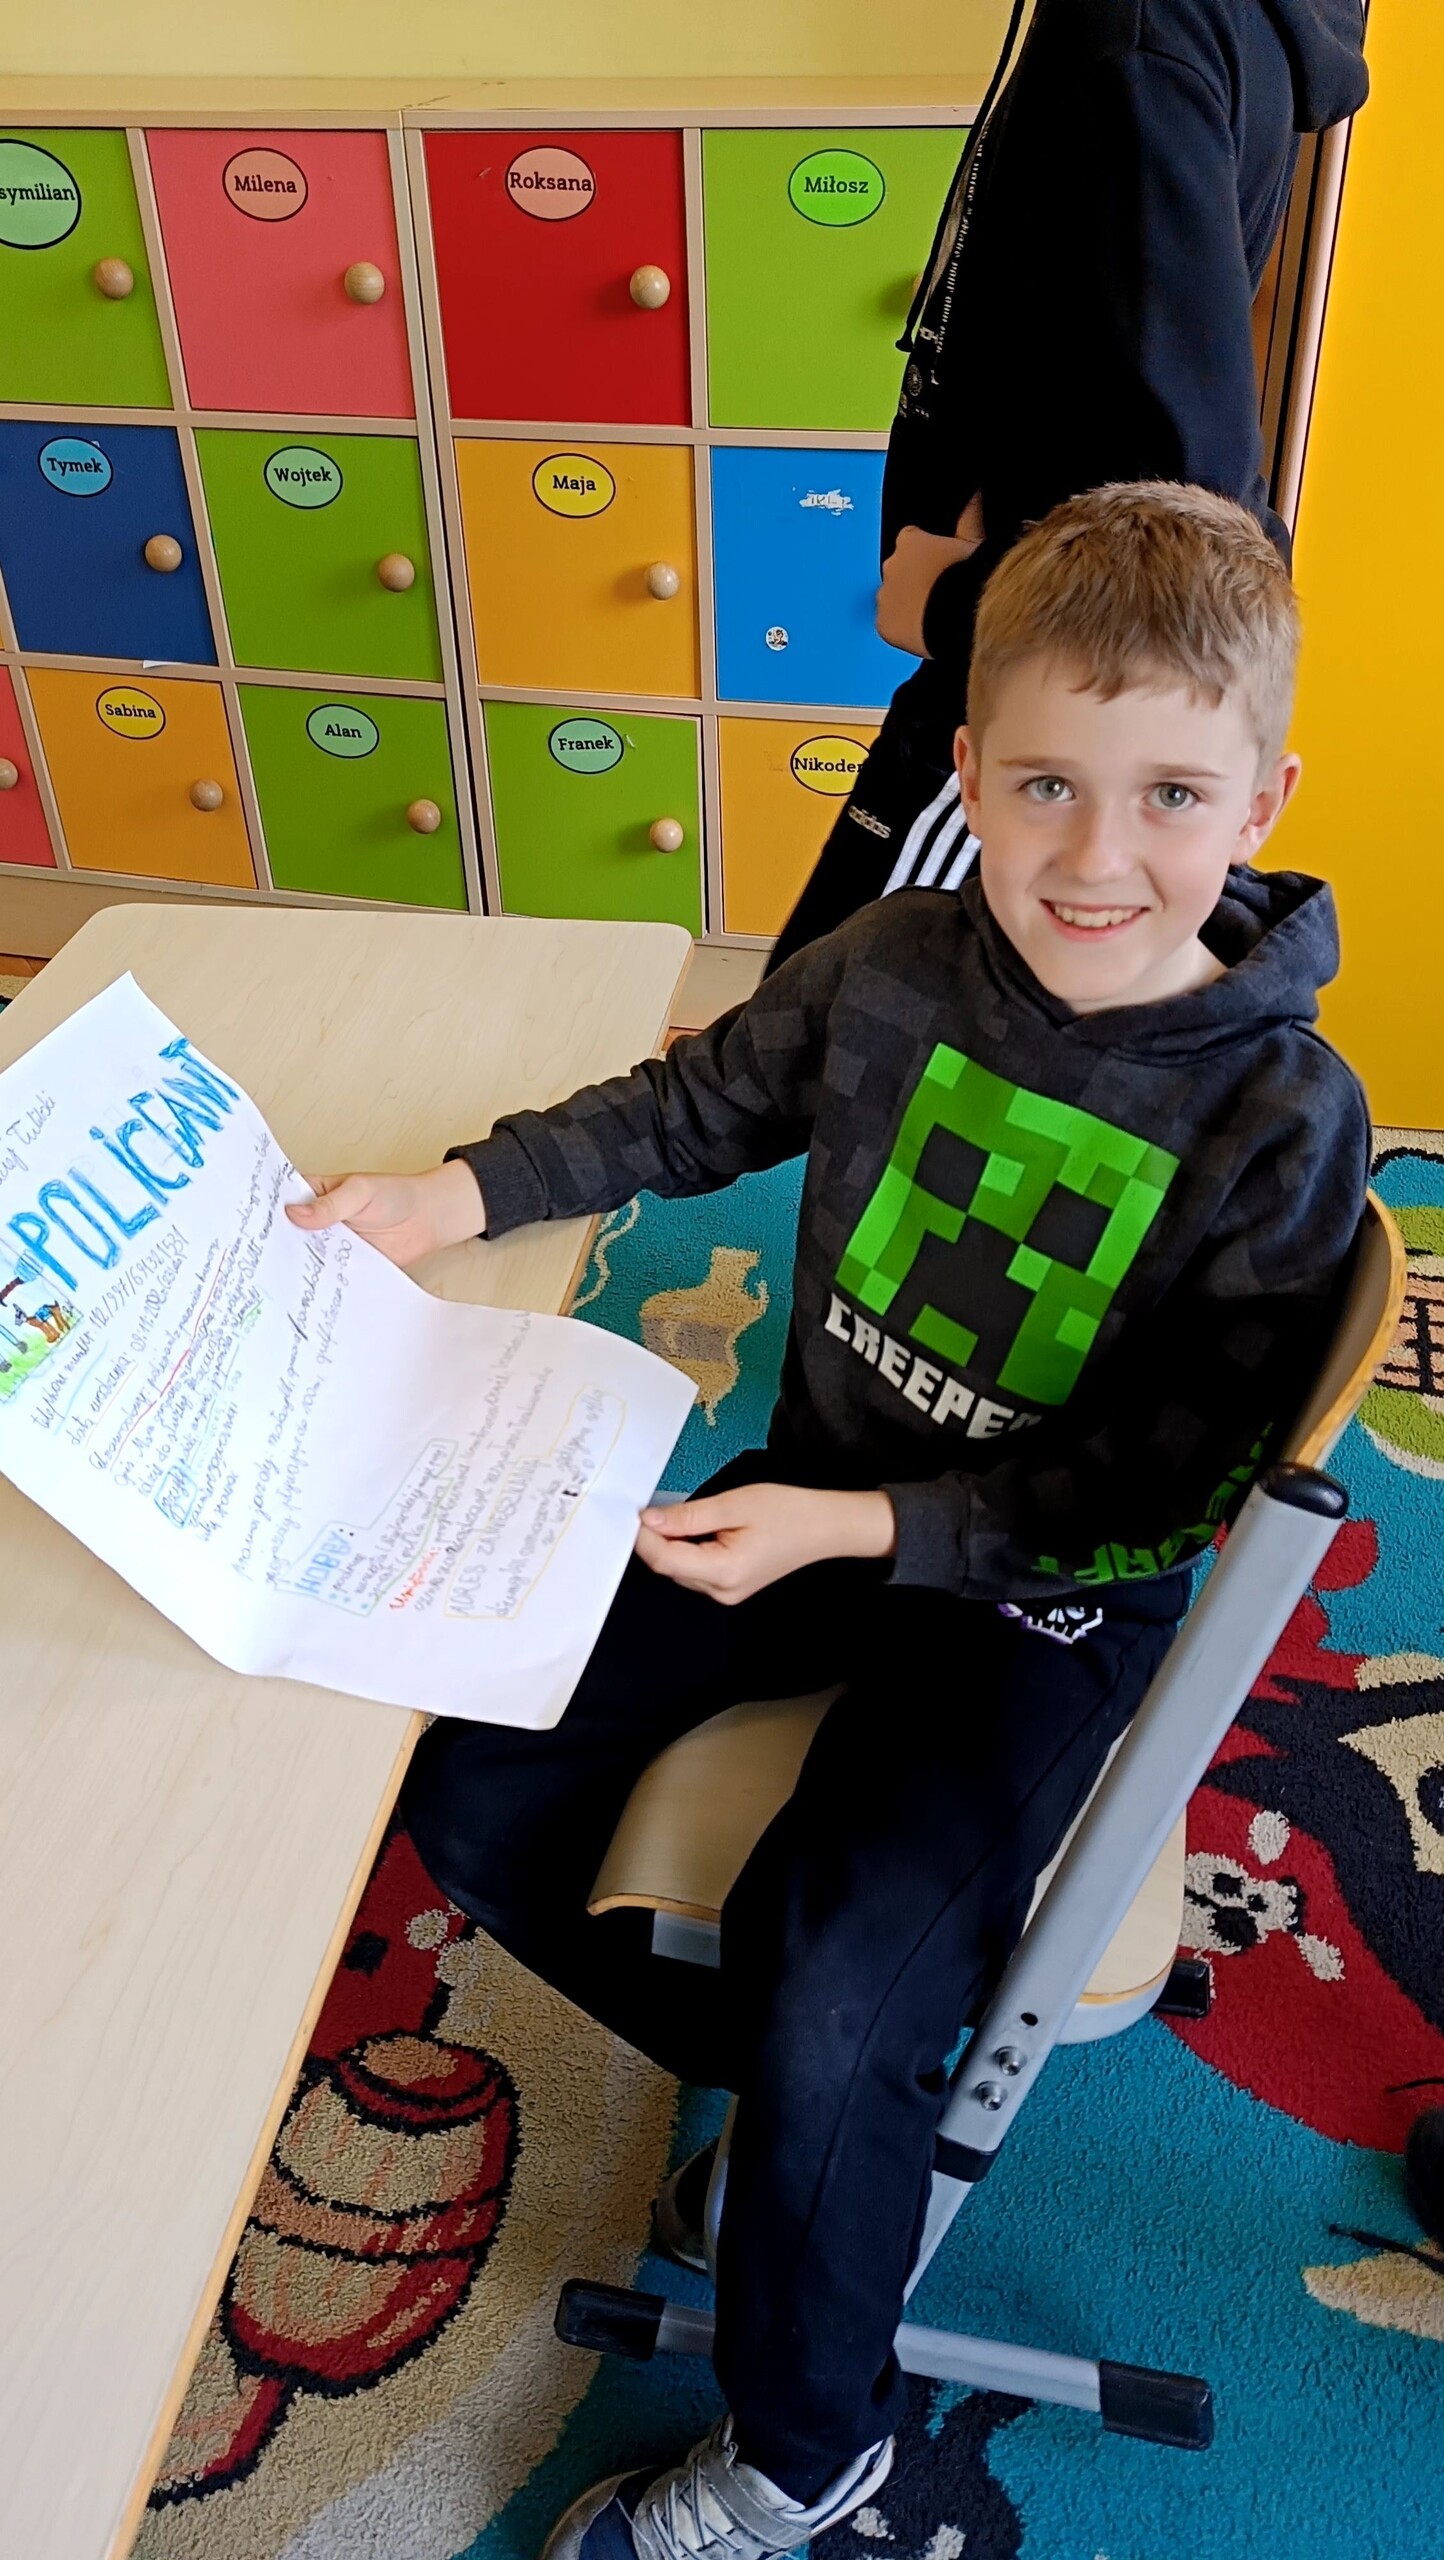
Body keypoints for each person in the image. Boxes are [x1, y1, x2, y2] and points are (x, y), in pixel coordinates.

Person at [288, 484, 1369, 2560]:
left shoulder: (1274, 1116)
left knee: (828, 1958)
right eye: (1040, 785)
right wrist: (455, 1189)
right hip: (802, 1512)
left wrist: (862, 1535)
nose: (1093, 855)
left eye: (1166, 796)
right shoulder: (890, 960)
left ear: (1258, 801)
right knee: (472, 1780)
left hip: (1033, 1606)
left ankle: (805, 2441)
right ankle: (827, 2142)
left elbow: (1152, 1495)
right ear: (964, 769)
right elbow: (686, 1106)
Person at [765, 0, 1369, 971]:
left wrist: (949, 606)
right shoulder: (1178, 34)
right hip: (1037, 680)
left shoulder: (1140, 45)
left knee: (820, 1026)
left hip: (1033, 701)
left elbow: (1195, 517)